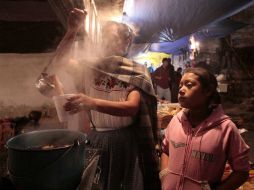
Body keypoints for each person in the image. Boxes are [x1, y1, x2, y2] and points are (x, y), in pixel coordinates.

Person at [47, 8, 161, 190]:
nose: (107, 42)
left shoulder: (136, 71)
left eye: (115, 38)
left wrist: (90, 102)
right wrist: (72, 31)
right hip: (96, 138)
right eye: (104, 37)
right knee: (96, 184)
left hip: (125, 141)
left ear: (126, 43)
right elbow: (60, 61)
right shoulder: (90, 68)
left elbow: (131, 107)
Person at [160, 67, 249, 190]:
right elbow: (165, 149)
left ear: (207, 91)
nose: (181, 90)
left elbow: (242, 172)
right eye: (180, 85)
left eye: (189, 85)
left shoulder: (226, 128)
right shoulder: (176, 121)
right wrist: (165, 175)